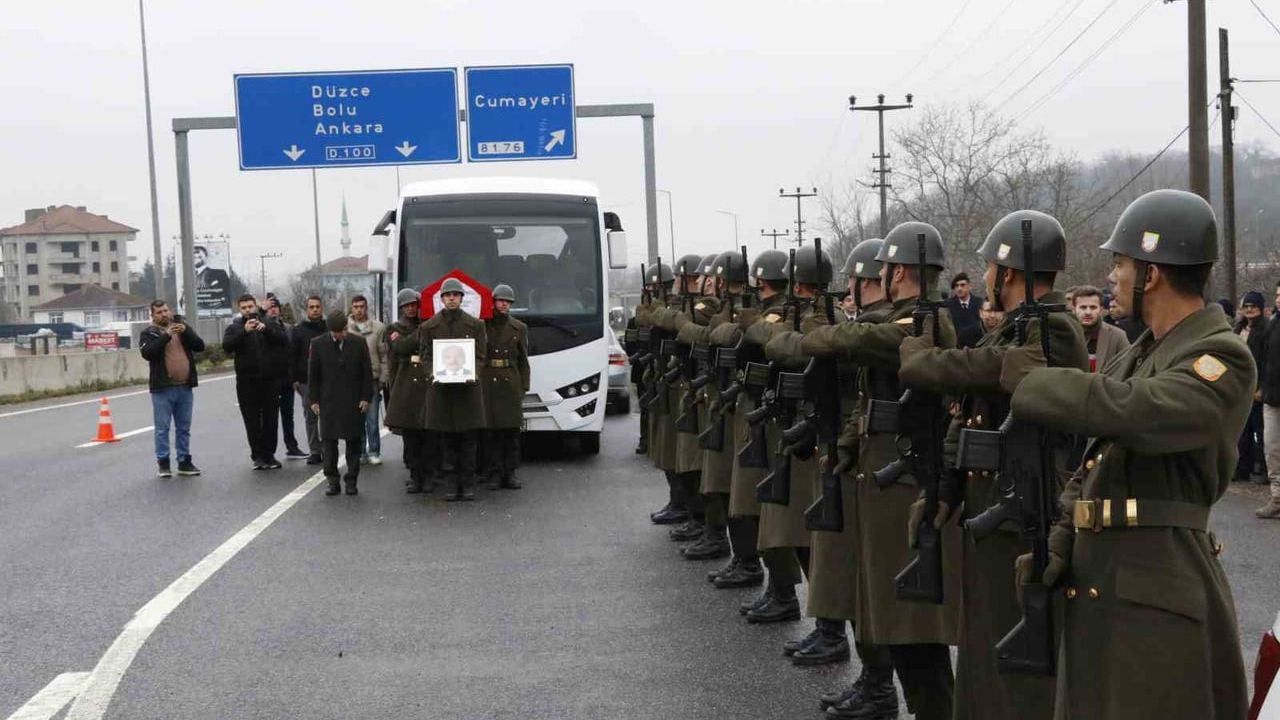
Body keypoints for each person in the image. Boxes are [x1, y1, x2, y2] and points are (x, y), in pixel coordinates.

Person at [1002, 189, 1251, 720]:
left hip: (1157, 588)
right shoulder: (1146, 350)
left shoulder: (1220, 355)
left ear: (1152, 273)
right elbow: (1095, 462)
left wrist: (1040, 383)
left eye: (1119, 262)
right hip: (1104, 581)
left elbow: (1138, 411)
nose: (1112, 276)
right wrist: (1063, 541)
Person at [898, 210, 1088, 720]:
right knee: (983, 653)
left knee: (1018, 671)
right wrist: (948, 488)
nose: (983, 278)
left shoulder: (1056, 330)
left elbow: (983, 371)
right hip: (993, 511)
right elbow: (976, 413)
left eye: (989, 268)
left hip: (1025, 517)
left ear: (1009, 273)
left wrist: (921, 356)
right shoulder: (1018, 329)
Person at [802, 221, 961, 720]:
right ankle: (888, 693)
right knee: (893, 616)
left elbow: (858, 340)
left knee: (914, 628)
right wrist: (850, 443)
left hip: (909, 478)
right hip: (886, 476)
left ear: (899, 271)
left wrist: (816, 332)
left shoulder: (921, 321)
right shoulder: (903, 318)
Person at [421, 278, 488, 501]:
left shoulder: (476, 325)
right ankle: (451, 485)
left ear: (461, 298)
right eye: (447, 295)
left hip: (467, 391)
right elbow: (425, 357)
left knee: (469, 442)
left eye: (455, 295)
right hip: (442, 392)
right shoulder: (429, 327)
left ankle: (467, 484)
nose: (451, 298)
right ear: (441, 299)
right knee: (447, 441)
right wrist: (433, 373)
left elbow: (480, 356)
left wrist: (473, 373)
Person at [308, 311, 372, 496]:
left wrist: (365, 397)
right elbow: (313, 375)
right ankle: (332, 480)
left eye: (344, 330)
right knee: (329, 445)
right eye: (338, 332)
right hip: (328, 402)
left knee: (354, 443)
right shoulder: (318, 344)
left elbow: (366, 372)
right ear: (330, 331)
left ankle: (351, 480)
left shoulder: (359, 343)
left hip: (353, 402)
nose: (342, 334)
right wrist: (314, 400)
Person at [139, 300, 206, 477]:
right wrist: (167, 335)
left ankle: (184, 461)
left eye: (166, 310)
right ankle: (163, 463)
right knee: (162, 428)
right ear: (153, 315)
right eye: (159, 312)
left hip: (184, 387)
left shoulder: (181, 329)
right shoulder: (149, 333)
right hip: (163, 388)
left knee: (184, 428)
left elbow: (200, 346)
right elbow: (148, 353)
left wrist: (187, 331)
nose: (164, 314)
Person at [223, 293, 289, 470]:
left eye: (250, 307)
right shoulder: (234, 328)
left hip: (270, 380)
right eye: (243, 308)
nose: (247, 311)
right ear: (239, 310)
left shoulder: (268, 322)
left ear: (255, 306)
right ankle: (257, 455)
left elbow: (283, 340)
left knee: (271, 419)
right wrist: (244, 332)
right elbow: (227, 347)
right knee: (251, 420)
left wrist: (265, 329)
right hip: (247, 382)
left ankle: (270, 455)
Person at [384, 289, 434, 494]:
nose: (411, 308)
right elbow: (401, 347)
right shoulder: (395, 328)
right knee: (411, 436)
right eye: (407, 306)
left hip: (427, 382)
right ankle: (415, 475)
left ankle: (429, 476)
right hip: (406, 384)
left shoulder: (428, 324)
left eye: (414, 304)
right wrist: (422, 330)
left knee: (429, 435)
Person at [481, 284, 530, 490]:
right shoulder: (482, 325)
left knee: (511, 432)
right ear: (493, 302)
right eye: (501, 301)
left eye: (508, 302)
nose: (504, 305)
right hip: (489, 379)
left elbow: (523, 360)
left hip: (510, 380)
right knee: (491, 432)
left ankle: (509, 473)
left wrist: (523, 386)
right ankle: (493, 472)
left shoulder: (519, 327)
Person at [265, 295, 307, 459]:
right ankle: (269, 451)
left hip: (287, 378)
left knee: (288, 415)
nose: (273, 309)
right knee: (271, 418)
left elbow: (294, 353)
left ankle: (292, 446)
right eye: (270, 306)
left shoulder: (289, 328)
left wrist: (294, 376)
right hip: (270, 380)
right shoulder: (262, 327)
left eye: (276, 306)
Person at [1234, 290, 1270, 482]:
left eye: (1253, 306)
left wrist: (1262, 387)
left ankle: (1264, 469)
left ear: (1261, 308)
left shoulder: (1266, 329)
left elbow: (1268, 361)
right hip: (1240, 387)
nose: (1249, 310)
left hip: (1257, 387)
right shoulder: (1238, 329)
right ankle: (1242, 467)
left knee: (1260, 430)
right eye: (1246, 306)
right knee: (1242, 431)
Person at [347, 294, 387, 466]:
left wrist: (384, 377)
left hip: (372, 379)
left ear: (367, 307)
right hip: (352, 381)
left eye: (361, 306)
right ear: (351, 308)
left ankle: (374, 451)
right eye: (355, 306)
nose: (359, 310)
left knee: (372, 419)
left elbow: (384, 354)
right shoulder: (345, 328)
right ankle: (360, 452)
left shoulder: (379, 328)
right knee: (357, 419)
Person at [290, 296, 327, 465]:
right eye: (311, 307)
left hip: (328, 380)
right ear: (307, 310)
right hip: (306, 381)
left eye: (317, 306)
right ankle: (315, 451)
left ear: (322, 308)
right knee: (310, 417)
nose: (315, 310)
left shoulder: (329, 328)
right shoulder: (298, 330)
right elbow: (292, 356)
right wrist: (295, 380)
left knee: (327, 417)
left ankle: (328, 449)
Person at [1072, 284, 1130, 372]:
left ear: (1101, 310)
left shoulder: (1117, 336)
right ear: (1074, 309)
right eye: (1083, 307)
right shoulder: (1066, 335)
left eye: (1093, 307)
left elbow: (1127, 368)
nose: (1088, 312)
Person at [1260, 282, 1280, 518]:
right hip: (1272, 397)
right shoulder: (1272, 324)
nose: (1278, 299)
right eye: (1276, 295)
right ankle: (1276, 497)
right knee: (1272, 450)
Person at [945, 272, 984, 348]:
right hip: (957, 347)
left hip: (977, 346)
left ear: (969, 286)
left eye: (962, 285)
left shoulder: (980, 303)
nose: (959, 288)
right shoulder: (948, 305)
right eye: (956, 286)